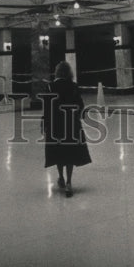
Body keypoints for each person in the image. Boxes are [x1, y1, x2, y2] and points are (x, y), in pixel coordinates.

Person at [41, 60, 91, 196]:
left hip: (55, 125)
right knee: (70, 153)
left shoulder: (50, 87)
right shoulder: (74, 86)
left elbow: (46, 108)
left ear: (57, 72)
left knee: (58, 152)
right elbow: (80, 105)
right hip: (71, 124)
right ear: (69, 72)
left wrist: (44, 124)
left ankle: (61, 178)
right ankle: (69, 182)